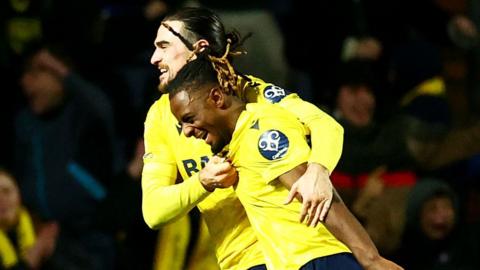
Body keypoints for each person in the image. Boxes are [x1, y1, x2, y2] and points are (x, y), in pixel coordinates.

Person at [142, 7, 344, 269]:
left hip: (303, 249)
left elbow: (326, 125)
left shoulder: (251, 91)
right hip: (245, 261)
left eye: (164, 46)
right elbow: (153, 211)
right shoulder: (159, 117)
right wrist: (203, 182)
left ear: (199, 48)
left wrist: (319, 170)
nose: (154, 58)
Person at [165, 52, 403, 270]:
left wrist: (371, 259)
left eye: (189, 118)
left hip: (318, 260)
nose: (186, 131)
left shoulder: (260, 132)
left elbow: (318, 195)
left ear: (216, 97)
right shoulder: (240, 139)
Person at [0, 167, 58, 269]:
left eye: (6, 191)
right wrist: (31, 259)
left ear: (19, 194)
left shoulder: (42, 228)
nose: (1, 200)